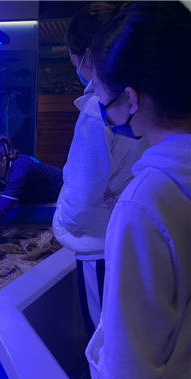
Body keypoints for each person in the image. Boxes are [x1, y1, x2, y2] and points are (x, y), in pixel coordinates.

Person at [86, 1, 191, 379]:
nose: (102, 111)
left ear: (131, 99)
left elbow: (132, 344)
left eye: (103, 99)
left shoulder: (147, 200)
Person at [52, 2, 149, 337]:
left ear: (90, 56)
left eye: (75, 61)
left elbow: (83, 191)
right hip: (125, 233)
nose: (75, 68)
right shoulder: (143, 101)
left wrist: (60, 223)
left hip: (97, 243)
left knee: (103, 333)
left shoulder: (97, 110)